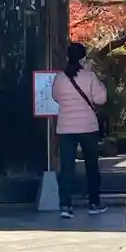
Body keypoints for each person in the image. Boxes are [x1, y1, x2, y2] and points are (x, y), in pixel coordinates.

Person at [51, 43, 107, 220]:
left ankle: (65, 206)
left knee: (66, 167)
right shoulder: (89, 76)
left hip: (66, 127)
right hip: (87, 127)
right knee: (91, 166)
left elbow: (55, 97)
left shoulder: (60, 78)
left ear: (67, 57)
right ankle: (94, 203)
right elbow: (101, 98)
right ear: (84, 59)